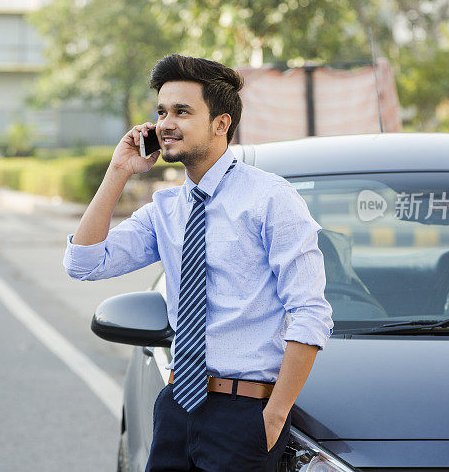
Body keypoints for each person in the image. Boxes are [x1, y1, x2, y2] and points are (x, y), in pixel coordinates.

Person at [63, 54, 333, 471]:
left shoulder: (270, 199)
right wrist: (118, 172)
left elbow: (310, 313)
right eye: (161, 112)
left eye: (182, 112)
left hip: (244, 415)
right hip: (175, 407)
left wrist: (274, 416)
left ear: (221, 123)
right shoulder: (166, 207)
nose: (165, 123)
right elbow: (83, 263)